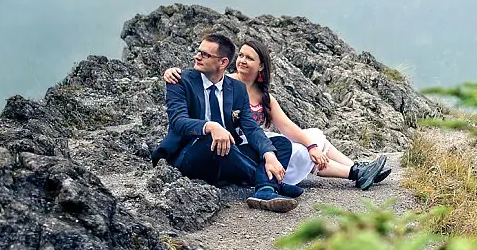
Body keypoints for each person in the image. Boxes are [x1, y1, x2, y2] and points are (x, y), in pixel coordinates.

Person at [162, 39, 390, 190]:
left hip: (253, 140)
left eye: (249, 58)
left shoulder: (263, 96)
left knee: (313, 137)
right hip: (232, 143)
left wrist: (311, 146)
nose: (241, 61)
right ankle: (356, 172)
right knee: (300, 148)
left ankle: (359, 168)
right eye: (240, 56)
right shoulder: (225, 81)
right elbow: (199, 79)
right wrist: (172, 72)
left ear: (261, 66)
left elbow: (286, 125)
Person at [151, 33, 301, 213]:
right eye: (198, 52)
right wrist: (211, 127)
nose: (197, 57)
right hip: (191, 152)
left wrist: (269, 155)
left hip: (228, 154)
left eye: (205, 54)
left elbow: (251, 127)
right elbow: (178, 121)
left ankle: (265, 188)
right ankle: (268, 184)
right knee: (213, 142)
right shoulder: (180, 81)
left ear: (223, 62)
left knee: (280, 144)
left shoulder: (237, 88)